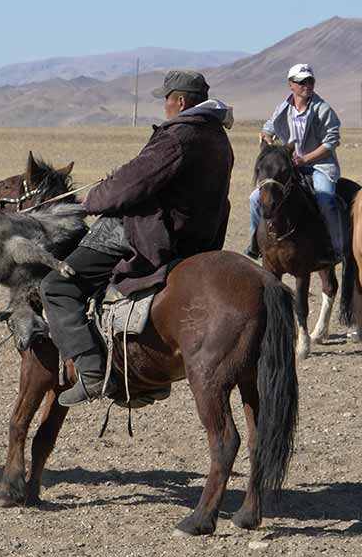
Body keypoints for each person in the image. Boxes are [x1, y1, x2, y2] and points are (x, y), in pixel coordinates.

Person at [40, 70, 235, 407]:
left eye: (166, 100)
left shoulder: (178, 136)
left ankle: (91, 371)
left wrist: (94, 199)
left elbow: (132, 184)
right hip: (198, 238)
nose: (165, 106)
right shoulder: (218, 137)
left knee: (57, 287)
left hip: (153, 232)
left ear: (181, 101)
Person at [245, 63, 342, 262]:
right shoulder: (283, 108)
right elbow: (267, 129)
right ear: (291, 85)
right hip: (289, 166)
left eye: (310, 81)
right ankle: (256, 243)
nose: (307, 85)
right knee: (255, 199)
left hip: (319, 165)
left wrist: (305, 158)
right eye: (301, 81)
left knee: (326, 201)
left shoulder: (322, 109)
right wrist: (267, 140)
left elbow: (331, 142)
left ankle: (335, 248)